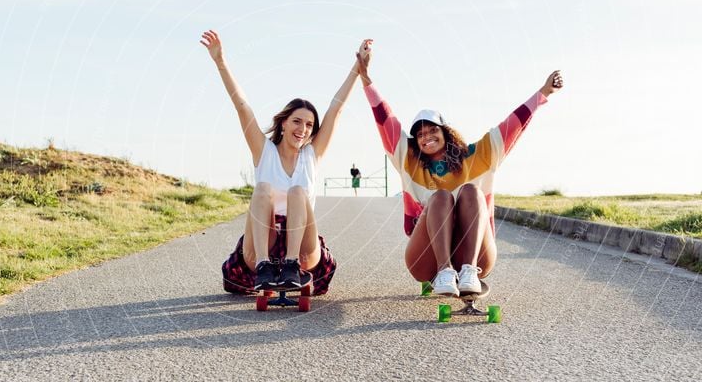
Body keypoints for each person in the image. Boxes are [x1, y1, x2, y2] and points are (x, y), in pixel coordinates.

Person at [355, 42, 563, 296]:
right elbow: (385, 120)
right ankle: (444, 272)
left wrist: (543, 93)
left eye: (433, 130)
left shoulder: (477, 156)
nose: (427, 137)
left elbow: (512, 126)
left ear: (446, 132)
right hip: (425, 259)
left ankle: (467, 272)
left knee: (471, 192)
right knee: (440, 197)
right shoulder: (408, 160)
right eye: (420, 134)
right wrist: (366, 79)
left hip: (477, 258)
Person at [200, 30, 372, 294]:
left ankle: (291, 265)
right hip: (261, 249)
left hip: (303, 252)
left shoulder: (311, 156)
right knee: (263, 189)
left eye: (309, 125)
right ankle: (265, 267)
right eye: (297, 121)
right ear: (283, 122)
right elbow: (242, 107)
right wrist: (221, 62)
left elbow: (335, 109)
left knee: (297, 191)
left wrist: (357, 67)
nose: (303, 129)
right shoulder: (264, 151)